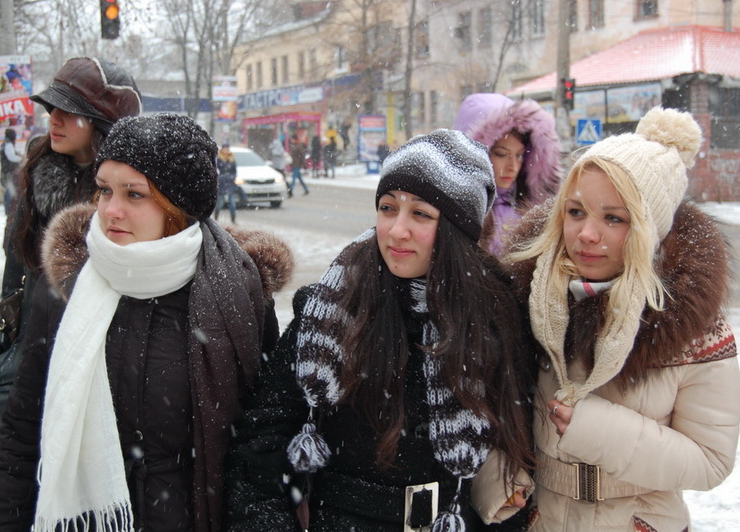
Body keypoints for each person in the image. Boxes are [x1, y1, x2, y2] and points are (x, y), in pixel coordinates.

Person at [0, 113, 295, 532]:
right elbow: (21, 432)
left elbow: (261, 441)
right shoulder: (67, 288)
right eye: (104, 189)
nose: (111, 210)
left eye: (135, 194)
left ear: (178, 206)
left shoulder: (238, 291)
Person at [226, 129, 535, 531]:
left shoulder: (498, 317)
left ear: (458, 229)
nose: (396, 229)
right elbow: (260, 446)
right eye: (388, 208)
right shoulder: (330, 310)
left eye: (420, 214)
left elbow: (520, 456)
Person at [502, 107, 740, 531]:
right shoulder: (527, 298)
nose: (586, 235)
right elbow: (496, 411)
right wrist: (498, 482)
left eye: (614, 218)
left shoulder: (693, 326)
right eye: (576, 212)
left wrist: (593, 427)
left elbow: (710, 461)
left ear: (650, 228)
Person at [0, 56, 143, 462]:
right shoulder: (39, 173)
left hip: (100, 369)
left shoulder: (132, 195)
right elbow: (16, 272)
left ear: (102, 123)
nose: (54, 118)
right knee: (21, 476)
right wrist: (4, 349)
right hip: (32, 359)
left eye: (69, 110)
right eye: (52, 108)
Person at [456, 93, 562, 257]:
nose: (513, 166)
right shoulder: (456, 214)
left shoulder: (530, 212)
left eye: (519, 155)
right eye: (501, 154)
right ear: (475, 153)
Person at [0, 128, 22, 250]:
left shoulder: (5, 144)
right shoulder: (8, 145)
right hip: (9, 174)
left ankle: (9, 208)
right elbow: (12, 157)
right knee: (11, 193)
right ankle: (9, 209)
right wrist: (20, 158)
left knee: (10, 193)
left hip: (6, 173)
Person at [215, 143, 238, 224]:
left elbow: (234, 171)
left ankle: (233, 219)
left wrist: (232, 177)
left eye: (228, 148)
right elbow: (216, 171)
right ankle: (216, 216)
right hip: (222, 184)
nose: (226, 150)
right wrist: (221, 178)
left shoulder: (232, 159)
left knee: (232, 203)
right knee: (220, 202)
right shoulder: (219, 159)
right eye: (225, 148)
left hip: (230, 183)